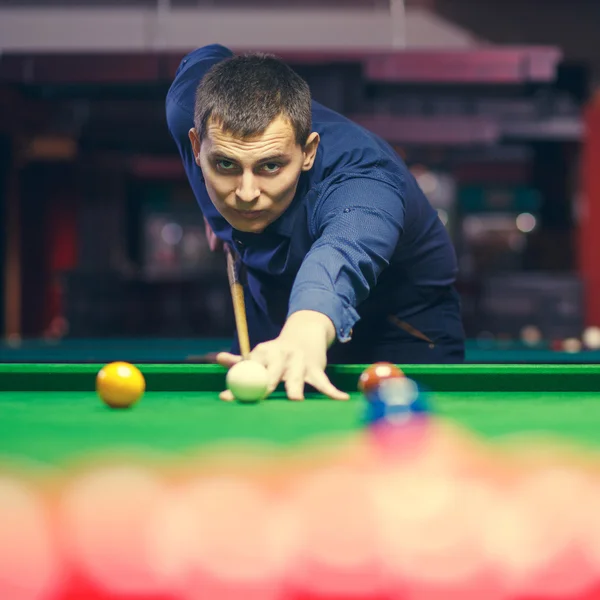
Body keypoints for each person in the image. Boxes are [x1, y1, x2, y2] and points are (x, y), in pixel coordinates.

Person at [166, 44, 465, 402]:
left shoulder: (365, 183)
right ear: (197, 146)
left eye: (271, 166)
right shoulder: (189, 106)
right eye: (226, 165)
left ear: (307, 152)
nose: (245, 194)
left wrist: (305, 328)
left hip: (398, 330)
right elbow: (206, 54)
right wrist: (211, 208)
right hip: (276, 320)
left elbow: (343, 254)